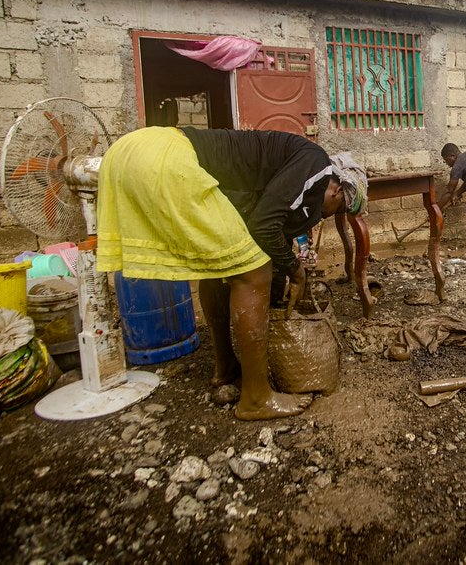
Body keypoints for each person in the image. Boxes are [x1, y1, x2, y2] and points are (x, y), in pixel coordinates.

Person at [96, 126, 367, 420]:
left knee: (222, 264)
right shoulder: (317, 164)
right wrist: (295, 270)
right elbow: (263, 227)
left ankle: (225, 366)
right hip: (164, 157)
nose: (327, 215)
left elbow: (270, 233)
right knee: (255, 272)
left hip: (129, 153)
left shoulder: (288, 173)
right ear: (337, 189)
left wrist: (282, 279)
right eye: (336, 209)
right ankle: (256, 398)